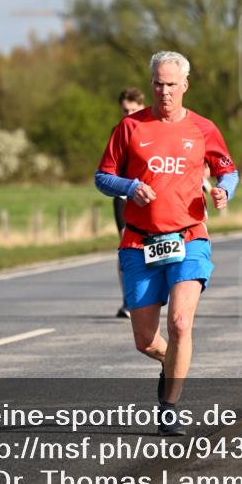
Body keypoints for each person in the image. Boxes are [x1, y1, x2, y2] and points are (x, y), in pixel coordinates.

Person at [94, 51, 238, 436]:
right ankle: (170, 361)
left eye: (171, 84)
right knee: (145, 341)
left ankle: (169, 407)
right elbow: (102, 177)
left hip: (189, 237)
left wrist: (225, 190)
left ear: (185, 85)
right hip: (139, 242)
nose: (164, 91)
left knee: (179, 323)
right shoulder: (129, 127)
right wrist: (128, 186)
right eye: (158, 83)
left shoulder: (203, 128)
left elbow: (228, 170)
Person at [109, 88, 147, 318]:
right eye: (125, 110)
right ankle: (128, 300)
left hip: (149, 196)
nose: (129, 114)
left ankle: (152, 294)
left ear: (142, 107)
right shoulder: (118, 131)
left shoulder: (154, 127)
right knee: (126, 244)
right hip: (123, 196)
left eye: (134, 110)